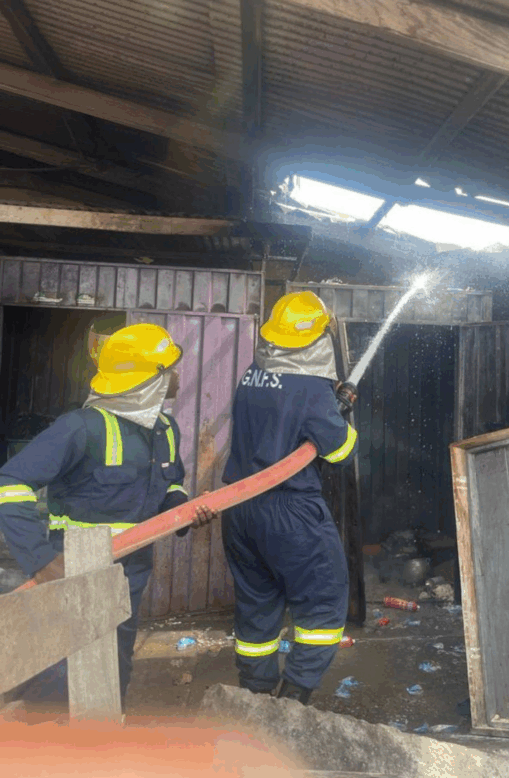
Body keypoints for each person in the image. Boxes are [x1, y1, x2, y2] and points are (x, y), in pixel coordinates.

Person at [0, 322, 215, 710]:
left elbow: (171, 483)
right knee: (65, 671)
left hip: (131, 574)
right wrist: (41, 561)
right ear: (148, 380)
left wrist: (182, 510)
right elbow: (10, 482)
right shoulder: (80, 428)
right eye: (169, 370)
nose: (177, 376)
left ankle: (106, 735)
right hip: (75, 573)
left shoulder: (166, 429)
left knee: (115, 665)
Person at [221, 291, 358, 705]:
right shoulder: (312, 388)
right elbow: (340, 452)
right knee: (324, 599)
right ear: (317, 337)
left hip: (239, 507)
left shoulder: (252, 374)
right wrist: (339, 413)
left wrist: (328, 404)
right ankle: (294, 697)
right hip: (290, 510)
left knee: (256, 603)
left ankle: (256, 696)